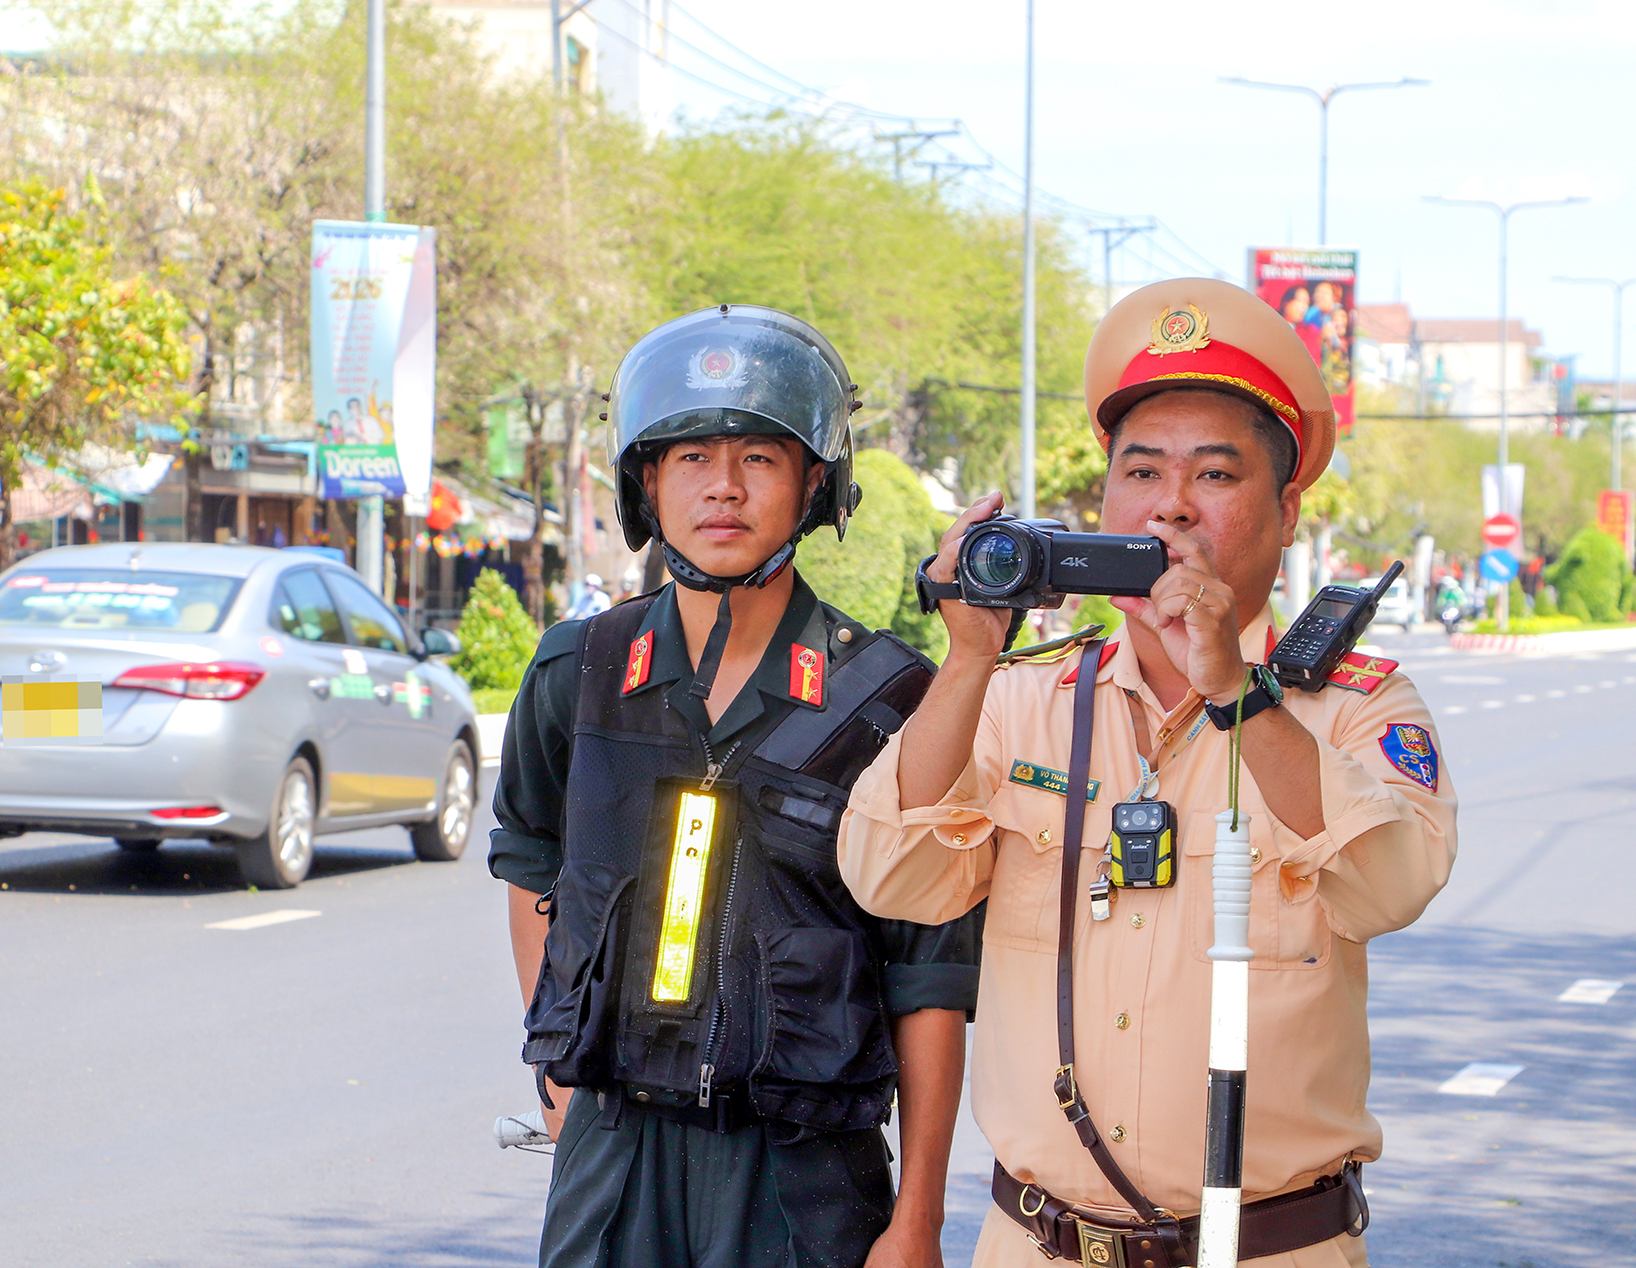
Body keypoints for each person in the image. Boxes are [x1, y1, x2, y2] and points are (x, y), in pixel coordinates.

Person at [838, 279, 1457, 1267]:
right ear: (1105, 502)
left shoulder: (1352, 706)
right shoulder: (1021, 697)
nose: (1170, 503)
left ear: (1286, 508)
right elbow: (888, 874)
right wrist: (964, 656)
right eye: (1140, 471)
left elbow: (1389, 883)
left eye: (1214, 474)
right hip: (1036, 1245)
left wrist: (1235, 693)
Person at [490, 304, 982, 1268]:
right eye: (689, 459)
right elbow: (530, 862)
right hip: (615, 1162)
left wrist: (916, 1216)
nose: (723, 489)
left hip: (803, 1176)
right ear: (647, 483)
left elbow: (929, 978)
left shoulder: (887, 700)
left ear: (813, 484)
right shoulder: (578, 670)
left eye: (759, 457)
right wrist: (558, 1071)